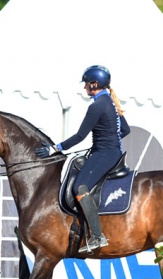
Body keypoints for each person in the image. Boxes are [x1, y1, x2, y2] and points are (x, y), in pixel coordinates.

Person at [35, 65, 130, 252]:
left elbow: (80, 136)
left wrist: (55, 148)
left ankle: (97, 236)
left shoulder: (97, 106)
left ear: (95, 84)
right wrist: (108, 140)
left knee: (80, 187)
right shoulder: (110, 102)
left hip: (104, 153)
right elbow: (125, 130)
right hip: (110, 151)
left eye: (87, 84)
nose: (85, 88)